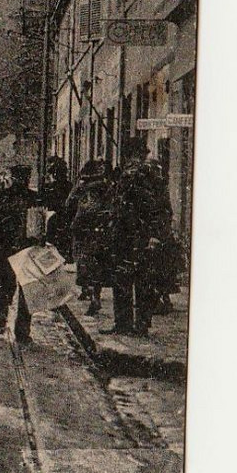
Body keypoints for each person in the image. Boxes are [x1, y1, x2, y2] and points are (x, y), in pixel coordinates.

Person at [106, 141, 172, 337]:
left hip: (136, 235)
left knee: (137, 280)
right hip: (129, 234)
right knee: (128, 280)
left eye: (133, 156)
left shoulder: (144, 176)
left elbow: (159, 209)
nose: (130, 161)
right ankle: (127, 324)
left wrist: (154, 235)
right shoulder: (133, 176)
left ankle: (136, 325)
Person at [0, 163, 38, 343]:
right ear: (12, 179)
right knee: (4, 288)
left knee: (27, 291)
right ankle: (1, 316)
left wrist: (41, 239)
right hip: (4, 250)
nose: (22, 183)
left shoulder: (34, 199)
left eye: (24, 179)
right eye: (20, 179)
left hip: (27, 250)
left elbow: (42, 223)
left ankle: (22, 331)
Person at [69, 159, 115, 316]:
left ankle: (87, 291)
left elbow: (69, 203)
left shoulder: (82, 188)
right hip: (100, 229)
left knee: (83, 260)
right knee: (97, 263)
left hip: (83, 228)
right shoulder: (107, 188)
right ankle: (95, 295)